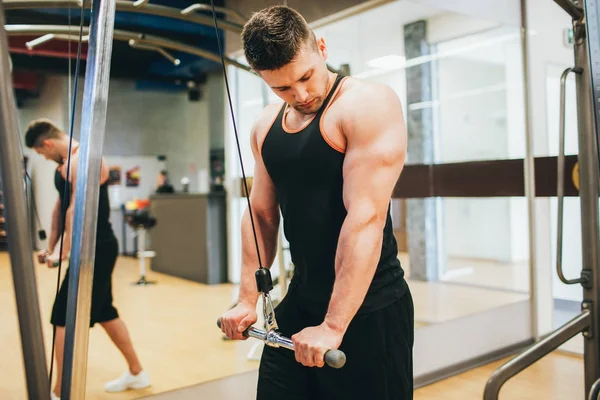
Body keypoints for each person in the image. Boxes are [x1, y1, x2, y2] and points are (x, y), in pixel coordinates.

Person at [218, 5, 414, 400]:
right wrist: (246, 299)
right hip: (301, 300)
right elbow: (260, 214)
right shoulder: (265, 127)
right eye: (283, 88)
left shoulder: (366, 105)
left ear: (321, 47)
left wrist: (334, 325)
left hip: (370, 308)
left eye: (306, 76)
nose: (301, 94)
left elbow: (365, 219)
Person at [24, 119, 151, 399]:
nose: (44, 158)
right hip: (89, 248)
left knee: (62, 316)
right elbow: (61, 206)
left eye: (41, 153)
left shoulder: (84, 161)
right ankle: (137, 372)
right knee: (105, 311)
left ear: (47, 143)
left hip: (98, 247)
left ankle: (60, 391)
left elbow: (75, 210)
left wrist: (64, 252)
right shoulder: (66, 164)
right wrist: (53, 246)